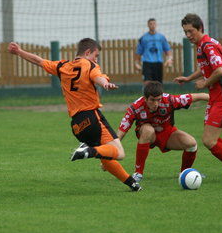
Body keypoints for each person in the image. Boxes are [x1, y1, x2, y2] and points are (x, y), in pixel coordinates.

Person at [8, 38, 142, 192]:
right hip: (91, 117)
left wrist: (19, 51)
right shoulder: (89, 65)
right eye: (96, 55)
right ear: (87, 52)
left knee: (104, 155)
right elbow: (98, 76)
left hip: (77, 125)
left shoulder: (62, 66)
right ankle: (87, 150)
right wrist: (104, 83)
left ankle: (132, 183)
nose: (96, 59)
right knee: (119, 153)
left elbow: (38, 61)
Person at [174, 13, 222, 183]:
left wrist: (204, 83)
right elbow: (206, 68)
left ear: (200, 28)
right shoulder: (202, 45)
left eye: (191, 31)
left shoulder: (208, 45)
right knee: (210, 138)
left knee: (209, 140)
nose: (188, 35)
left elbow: (220, 71)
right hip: (216, 97)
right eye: (185, 32)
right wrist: (189, 78)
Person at [116, 81, 209, 183]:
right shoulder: (136, 107)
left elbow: (198, 96)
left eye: (158, 100)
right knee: (148, 130)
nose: (156, 103)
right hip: (148, 135)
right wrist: (111, 154)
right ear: (145, 98)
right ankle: (138, 173)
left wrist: (217, 100)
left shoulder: (170, 100)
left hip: (167, 132)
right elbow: (121, 131)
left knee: (191, 143)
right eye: (152, 100)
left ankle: (185, 174)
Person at [134, 18, 173, 84]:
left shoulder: (161, 37)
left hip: (158, 63)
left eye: (154, 24)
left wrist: (169, 59)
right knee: (147, 83)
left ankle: (158, 94)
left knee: (158, 83)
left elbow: (168, 50)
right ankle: (147, 94)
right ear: (148, 25)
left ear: (156, 25)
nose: (152, 25)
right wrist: (136, 63)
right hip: (147, 63)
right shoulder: (143, 38)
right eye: (150, 24)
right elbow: (138, 52)